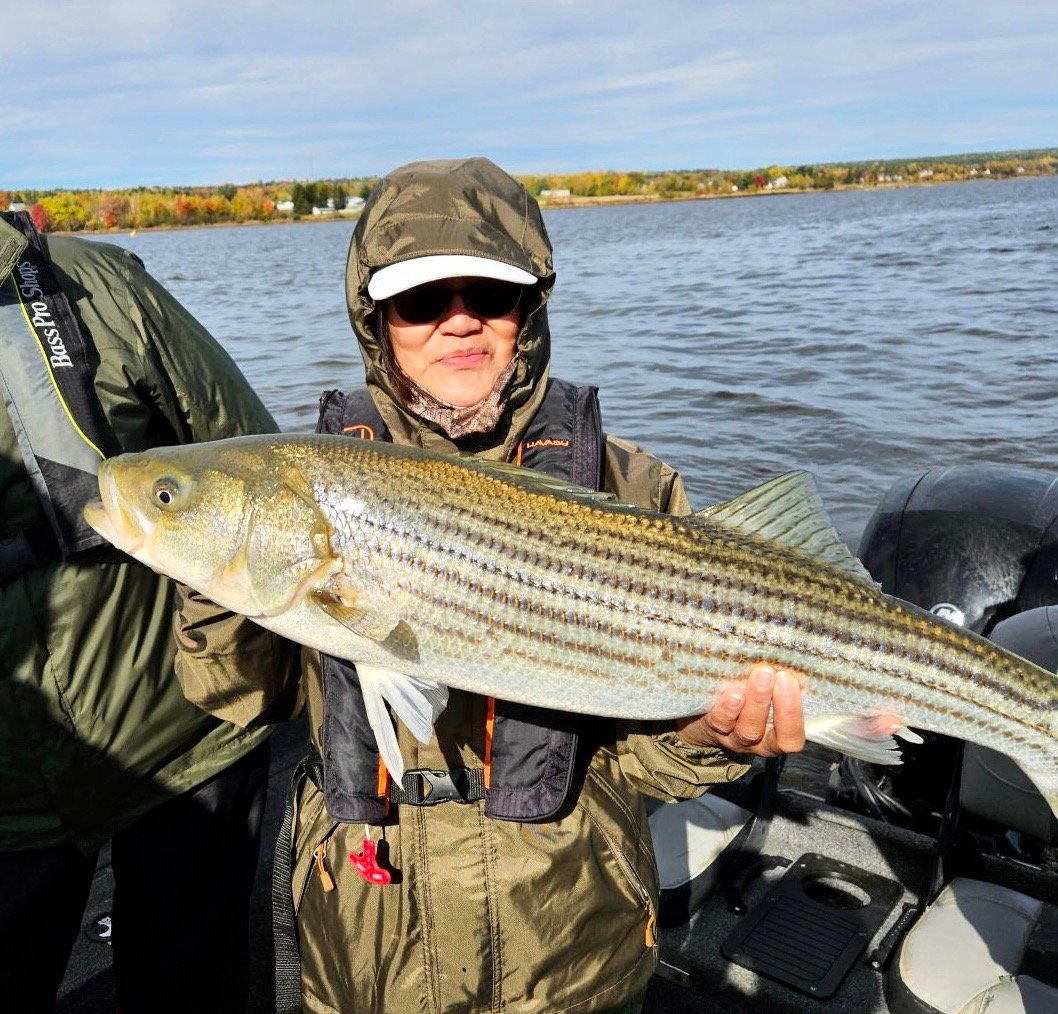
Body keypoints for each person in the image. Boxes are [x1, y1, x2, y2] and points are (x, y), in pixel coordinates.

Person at [174, 157, 806, 1013]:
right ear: (377, 321)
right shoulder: (303, 482)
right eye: (421, 302)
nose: (458, 323)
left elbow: (648, 761)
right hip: (368, 934)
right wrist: (205, 565)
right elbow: (241, 695)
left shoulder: (634, 488)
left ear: (530, 311)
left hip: (572, 939)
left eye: (491, 297)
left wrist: (706, 735)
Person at [0, 209, 285, 1012]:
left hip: (187, 748)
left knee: (192, 989)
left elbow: (262, 471)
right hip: (10, 798)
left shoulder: (103, 285)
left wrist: (223, 672)